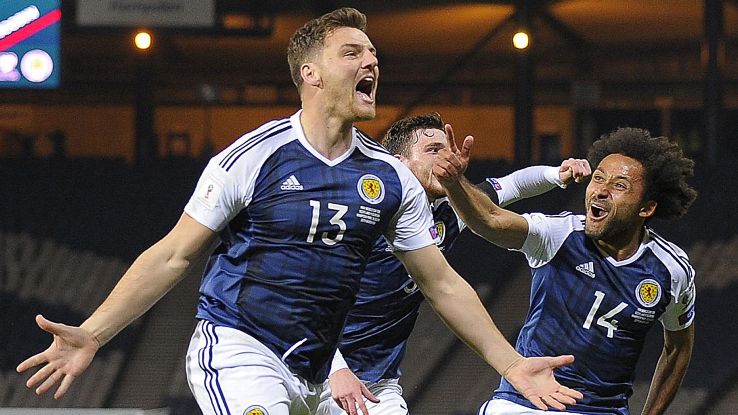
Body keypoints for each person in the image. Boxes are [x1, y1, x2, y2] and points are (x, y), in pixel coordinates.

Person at [16, 8, 581, 415]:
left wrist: (510, 364)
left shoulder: (389, 177)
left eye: (373, 53)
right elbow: (170, 257)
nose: (372, 62)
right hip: (241, 348)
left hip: (322, 374)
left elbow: (442, 284)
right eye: (353, 52)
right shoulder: (252, 158)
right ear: (309, 73)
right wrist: (92, 333)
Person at [317, 113, 591, 415]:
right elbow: (309, 298)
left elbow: (511, 186)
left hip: (375, 385)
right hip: (313, 367)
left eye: (446, 149)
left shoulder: (449, 212)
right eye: (432, 150)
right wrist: (335, 368)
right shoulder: (363, 216)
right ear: (399, 162)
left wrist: (557, 174)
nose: (445, 157)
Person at [433, 126, 697, 415]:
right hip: (525, 402)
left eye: (619, 185)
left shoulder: (671, 271)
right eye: (598, 178)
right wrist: (454, 182)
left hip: (601, 411)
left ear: (646, 208)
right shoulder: (558, 234)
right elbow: (489, 219)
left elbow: (677, 348)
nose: (602, 191)